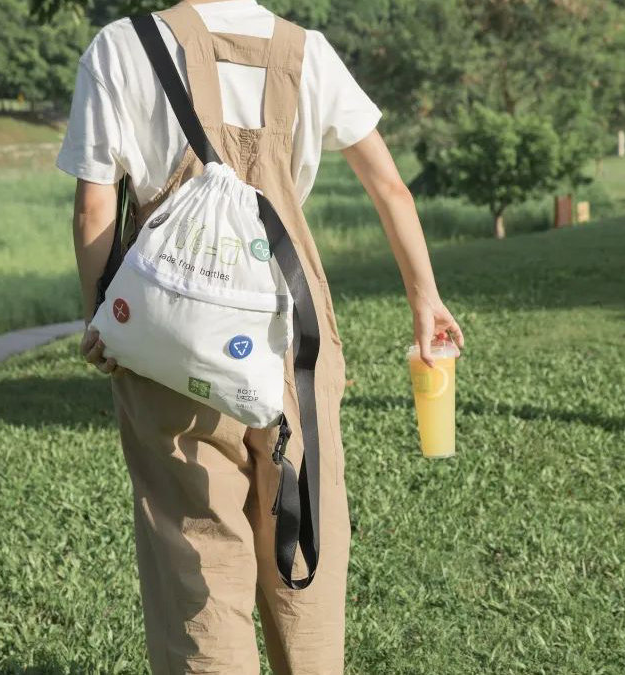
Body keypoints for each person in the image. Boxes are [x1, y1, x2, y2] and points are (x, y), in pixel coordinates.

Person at [56, 1, 464, 672]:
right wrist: (426, 301)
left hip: (171, 340)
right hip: (291, 338)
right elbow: (390, 186)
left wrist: (100, 313)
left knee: (197, 554)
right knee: (306, 542)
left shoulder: (121, 47)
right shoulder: (309, 54)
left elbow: (94, 205)